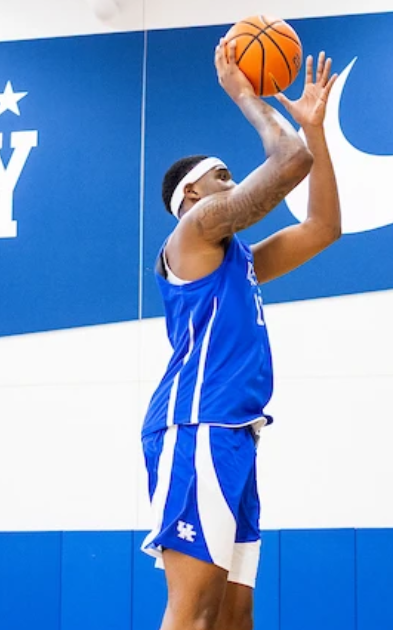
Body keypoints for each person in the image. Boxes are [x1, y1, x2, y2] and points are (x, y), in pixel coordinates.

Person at [139, 39, 342, 630]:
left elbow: (325, 226)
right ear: (194, 196)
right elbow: (287, 165)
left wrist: (316, 132)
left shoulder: (241, 258)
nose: (234, 180)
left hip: (234, 431)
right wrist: (245, 96)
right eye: (223, 175)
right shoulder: (195, 230)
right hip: (197, 424)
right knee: (193, 614)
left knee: (234, 618)